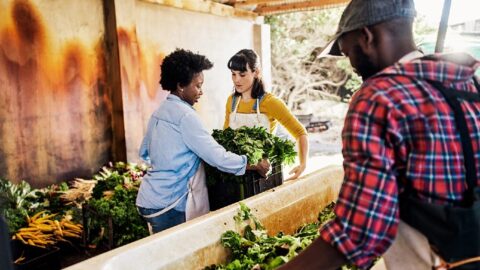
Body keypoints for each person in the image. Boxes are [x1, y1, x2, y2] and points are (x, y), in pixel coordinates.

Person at [279, 0, 480, 269]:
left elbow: (361, 231)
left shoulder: (378, 97)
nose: (351, 65)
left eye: (348, 52)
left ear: (366, 37)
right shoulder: (469, 82)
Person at [136, 49, 270, 234]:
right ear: (181, 86)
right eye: (198, 86)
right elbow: (218, 157)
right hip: (170, 203)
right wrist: (254, 164)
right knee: (178, 258)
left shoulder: (160, 112)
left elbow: (144, 152)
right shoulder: (186, 116)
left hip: (149, 198)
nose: (201, 92)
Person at [224, 49, 309, 180]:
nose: (236, 80)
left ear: (256, 72)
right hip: (237, 172)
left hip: (264, 174)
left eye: (242, 74)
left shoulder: (270, 102)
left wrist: (303, 164)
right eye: (233, 74)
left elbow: (300, 132)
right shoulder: (232, 102)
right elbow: (226, 137)